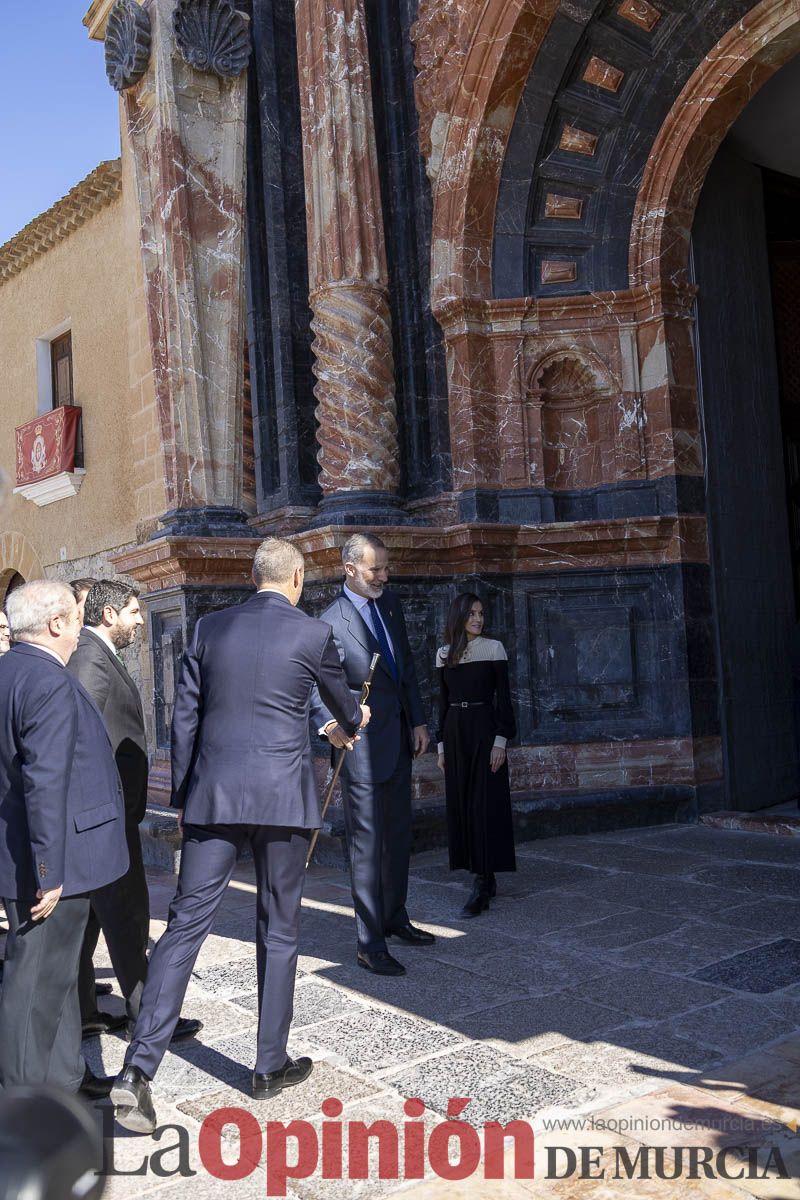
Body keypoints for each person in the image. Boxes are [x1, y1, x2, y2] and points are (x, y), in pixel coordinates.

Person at [110, 537, 369, 1133]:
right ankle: (268, 1064)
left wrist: (185, 795)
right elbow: (344, 709)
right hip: (283, 800)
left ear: (255, 578)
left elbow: (184, 717)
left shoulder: (208, 629)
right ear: (298, 578)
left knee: (184, 925)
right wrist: (352, 720)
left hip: (214, 797)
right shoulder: (311, 634)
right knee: (279, 926)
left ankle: (137, 1070)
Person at [0, 581, 129, 1096]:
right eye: (77, 617)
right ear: (55, 624)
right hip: (48, 861)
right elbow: (44, 780)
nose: (82, 626)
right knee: (33, 988)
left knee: (53, 980)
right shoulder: (46, 680)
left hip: (26, 852)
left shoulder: (10, 669)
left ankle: (65, 1080)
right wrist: (50, 872)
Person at [68, 580, 201, 1043]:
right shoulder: (90, 658)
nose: (141, 620)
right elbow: (76, 740)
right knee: (127, 916)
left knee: (89, 919)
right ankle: (149, 1017)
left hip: (106, 815)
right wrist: (99, 808)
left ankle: (84, 1010)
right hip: (105, 819)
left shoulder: (97, 652)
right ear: (108, 615)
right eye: (132, 612)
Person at [314, 532, 432, 977]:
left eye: (385, 567)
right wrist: (331, 727)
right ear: (349, 570)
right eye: (374, 570)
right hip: (360, 747)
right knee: (366, 845)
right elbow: (316, 684)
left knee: (398, 835)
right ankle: (369, 941)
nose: (383, 576)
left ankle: (395, 917)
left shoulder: (392, 604)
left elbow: (406, 670)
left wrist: (418, 721)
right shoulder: (330, 621)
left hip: (399, 737)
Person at [436, 593, 516, 916]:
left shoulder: (494, 648)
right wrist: (441, 746)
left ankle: (482, 882)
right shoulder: (444, 654)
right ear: (459, 616)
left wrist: (501, 741)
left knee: (485, 803)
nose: (478, 619)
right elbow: (440, 703)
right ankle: (483, 874)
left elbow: (505, 701)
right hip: (456, 733)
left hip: (485, 729)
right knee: (464, 804)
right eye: (471, 613)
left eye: (481, 613)